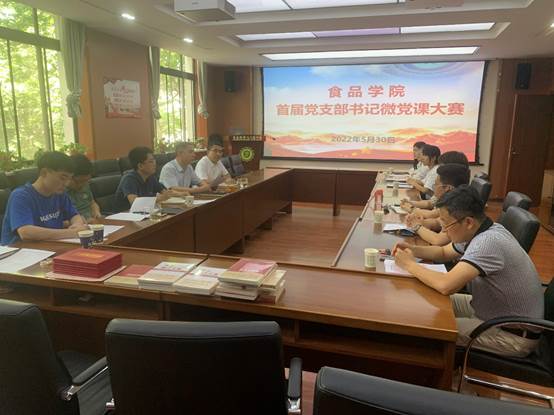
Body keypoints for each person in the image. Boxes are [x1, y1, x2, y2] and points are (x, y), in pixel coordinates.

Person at [394, 185, 544, 357]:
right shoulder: (481, 230)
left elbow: (446, 285)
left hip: (510, 334)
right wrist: (412, 250)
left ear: (468, 222)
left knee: (429, 327)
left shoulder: (487, 243)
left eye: (446, 223)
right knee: (426, 300)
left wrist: (409, 265)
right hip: (486, 309)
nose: (444, 230)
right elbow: (443, 252)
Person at [1, 151, 88, 245]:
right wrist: (71, 233)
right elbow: (26, 232)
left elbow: (74, 215)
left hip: (48, 246)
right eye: (63, 178)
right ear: (44, 173)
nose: (66, 184)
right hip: (18, 249)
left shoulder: (59, 193)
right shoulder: (21, 196)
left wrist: (77, 225)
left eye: (69, 179)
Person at [405, 164, 470, 246]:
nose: (433, 187)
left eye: (435, 185)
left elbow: (438, 240)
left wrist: (417, 226)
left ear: (447, 188)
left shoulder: (457, 206)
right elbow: (437, 222)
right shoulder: (449, 201)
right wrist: (419, 222)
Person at [113, 147, 179, 212]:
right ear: (140, 166)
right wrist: (159, 198)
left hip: (144, 212)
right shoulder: (129, 179)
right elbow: (134, 203)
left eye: (154, 160)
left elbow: (165, 192)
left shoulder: (150, 177)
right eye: (151, 161)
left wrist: (181, 194)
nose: (155, 164)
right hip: (124, 215)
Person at [402, 150, 469, 213]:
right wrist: (410, 203)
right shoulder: (444, 187)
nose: (439, 169)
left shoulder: (458, 199)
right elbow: (430, 203)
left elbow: (436, 217)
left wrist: (413, 210)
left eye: (442, 167)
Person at [66, 154, 102, 220]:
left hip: (93, 220)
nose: (82, 185)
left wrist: (96, 211)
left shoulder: (85, 184)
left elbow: (92, 203)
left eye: (86, 181)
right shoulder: (59, 191)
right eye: (79, 181)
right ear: (69, 176)